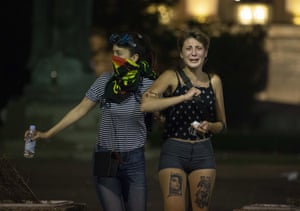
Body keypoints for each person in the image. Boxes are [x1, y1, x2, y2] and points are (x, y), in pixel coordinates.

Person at [24, 32, 157, 211]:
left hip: (133, 157)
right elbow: (80, 109)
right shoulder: (104, 81)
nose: (114, 57)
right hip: (106, 156)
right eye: (114, 52)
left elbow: (160, 109)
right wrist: (48, 133)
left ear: (134, 57)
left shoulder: (148, 84)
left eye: (120, 53)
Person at [140, 29, 227, 211]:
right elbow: (145, 104)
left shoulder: (214, 81)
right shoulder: (172, 77)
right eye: (188, 48)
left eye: (198, 48)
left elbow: (222, 125)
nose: (193, 53)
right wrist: (182, 97)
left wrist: (210, 126)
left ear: (206, 53)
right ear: (181, 53)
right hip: (174, 151)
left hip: (203, 153)